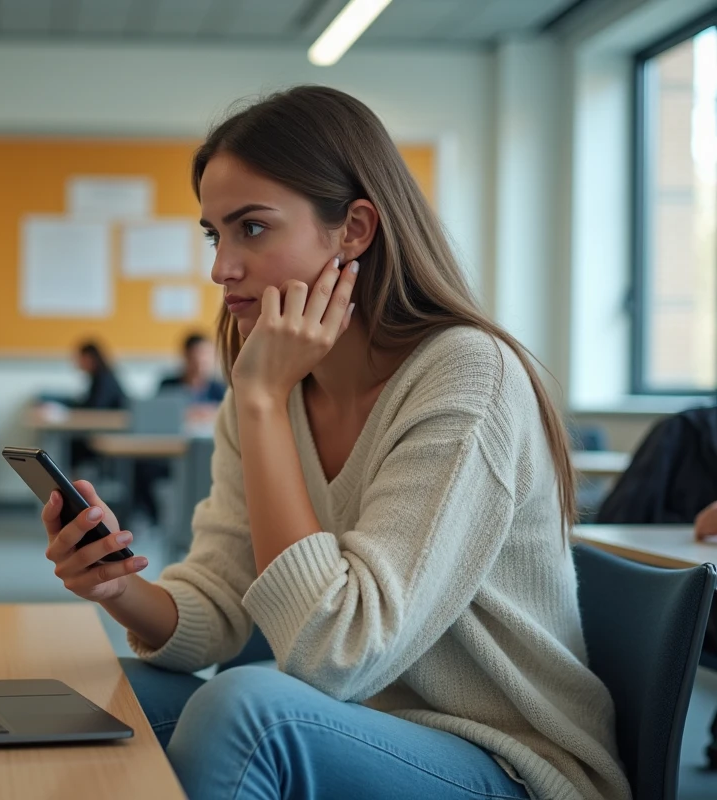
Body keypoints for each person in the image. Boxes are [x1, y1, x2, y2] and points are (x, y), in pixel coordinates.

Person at [40, 86, 629, 800]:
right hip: (360, 727)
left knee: (245, 712)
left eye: (252, 228)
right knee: (110, 694)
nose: (222, 268)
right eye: (215, 235)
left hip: (508, 763)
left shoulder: (467, 375)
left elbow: (338, 653)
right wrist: (118, 587)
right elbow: (219, 607)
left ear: (353, 229)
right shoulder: (268, 391)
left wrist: (261, 402)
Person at [61, 340, 128, 470]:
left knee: (72, 445)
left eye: (79, 358)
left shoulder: (104, 379)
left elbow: (95, 408)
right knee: (70, 443)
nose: (77, 363)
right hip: (104, 431)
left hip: (111, 434)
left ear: (89, 358)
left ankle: (71, 480)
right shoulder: (98, 378)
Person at [159, 332, 225, 406]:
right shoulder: (168, 387)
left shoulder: (219, 390)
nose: (202, 361)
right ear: (186, 356)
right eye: (197, 355)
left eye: (207, 356)